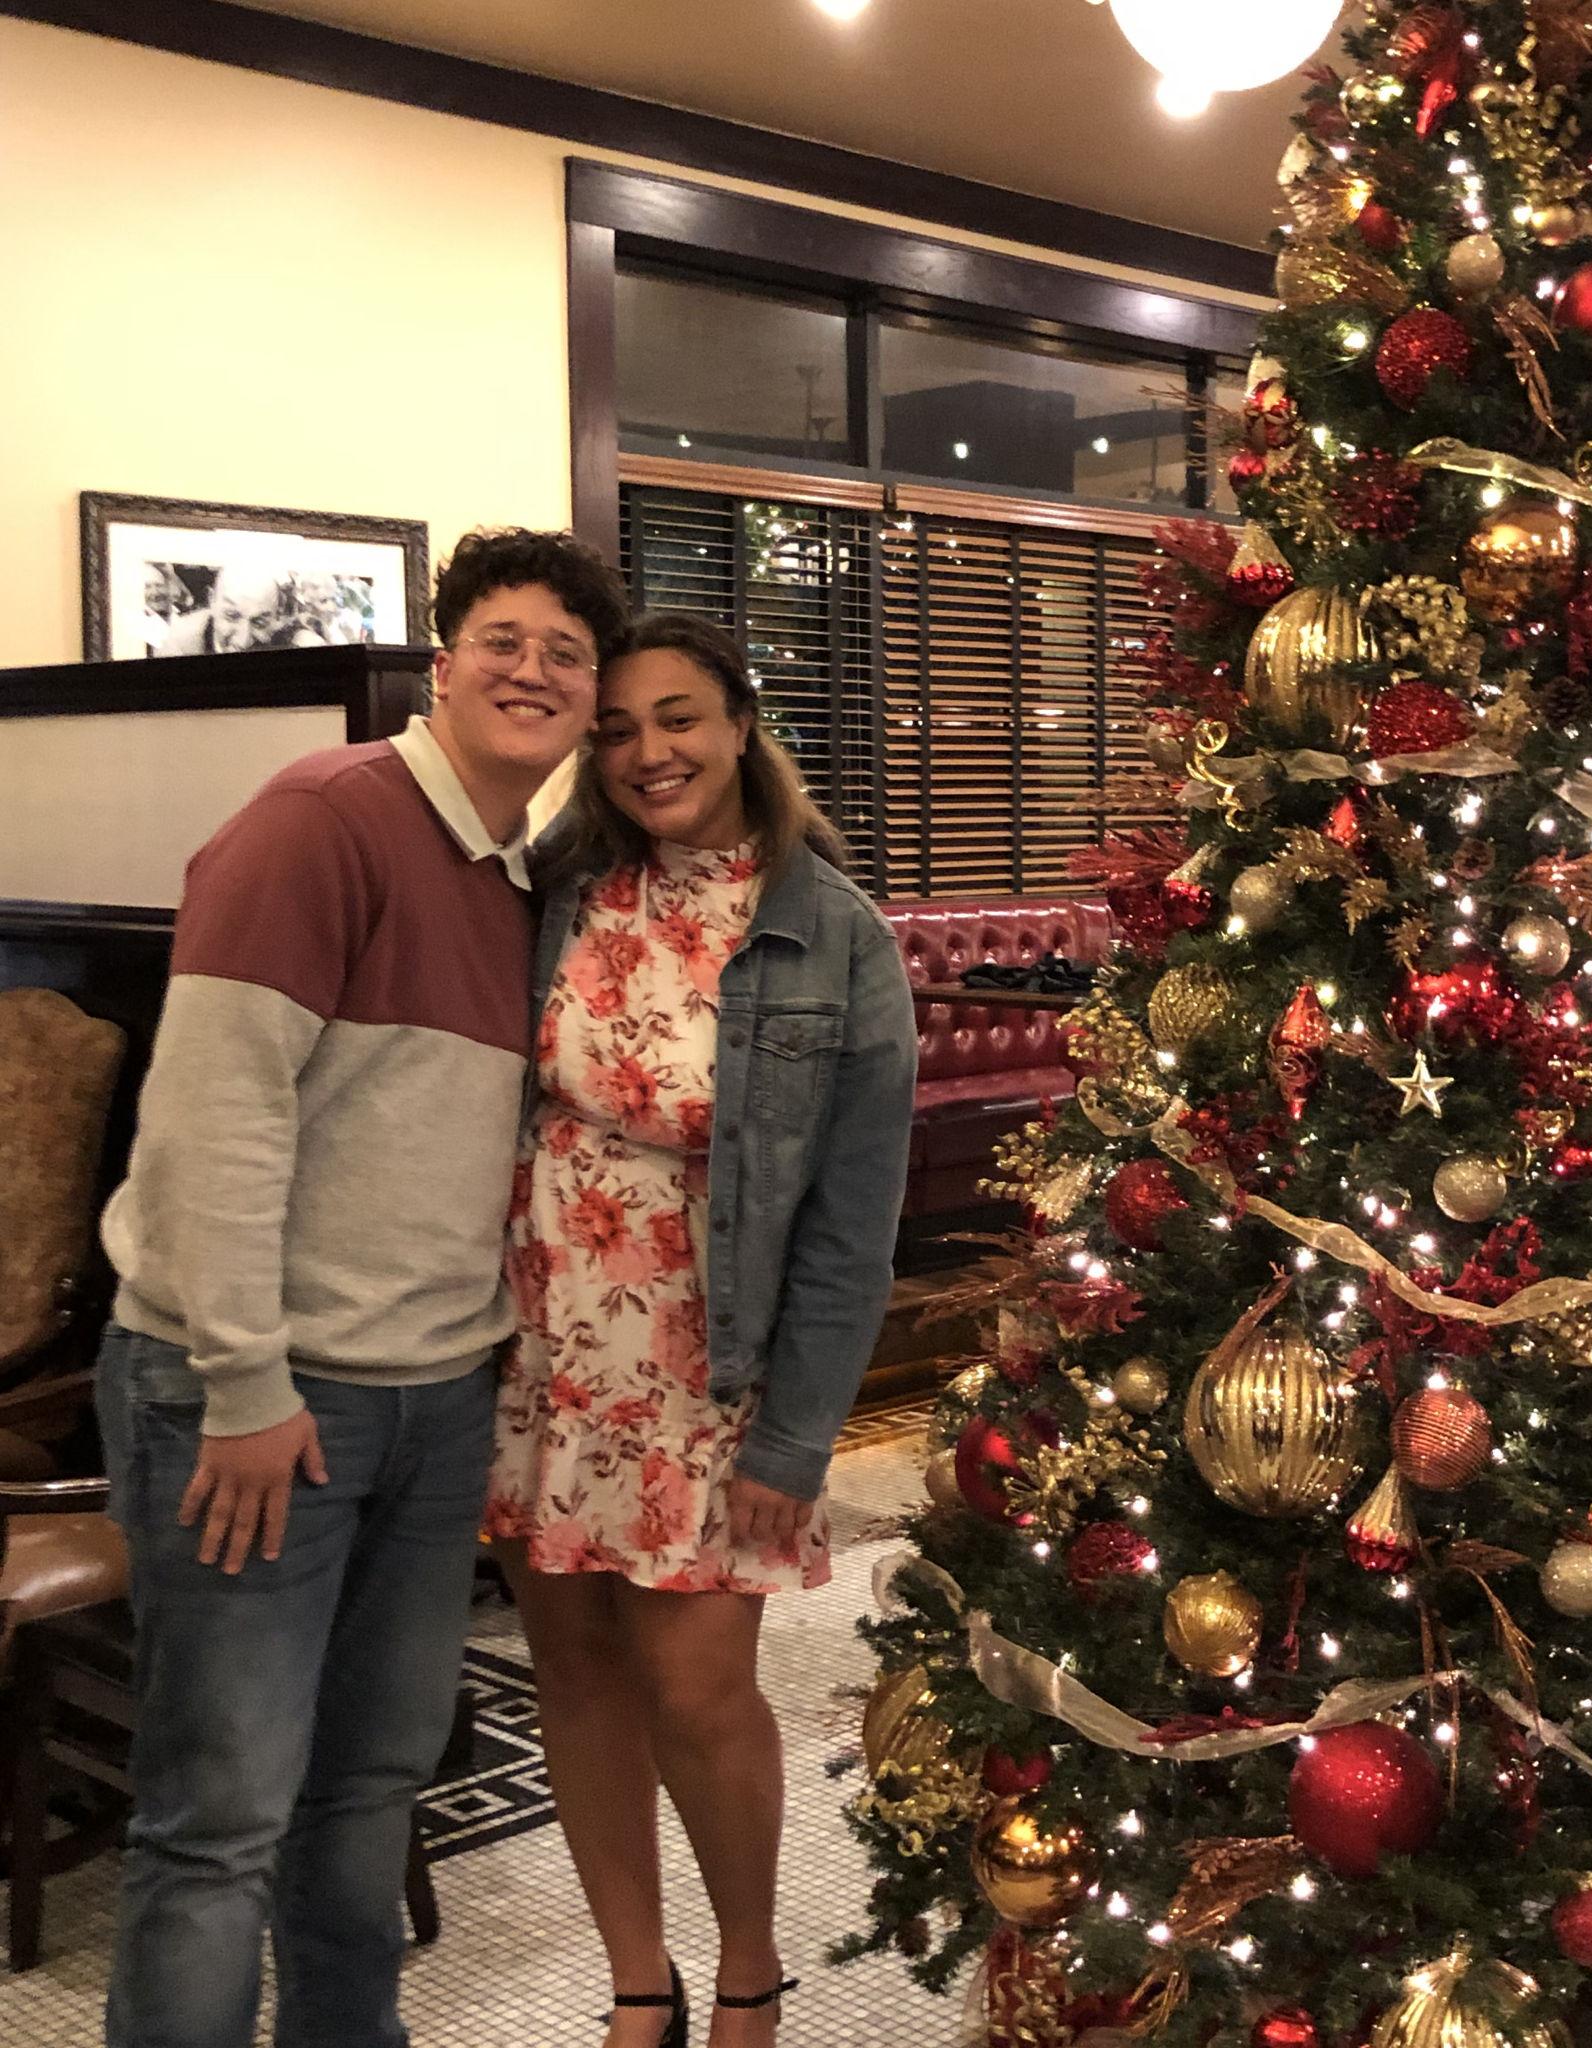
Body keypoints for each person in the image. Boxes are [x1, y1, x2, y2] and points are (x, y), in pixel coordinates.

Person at [95, 528, 630, 2048]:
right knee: (220, 1819)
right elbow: (212, 1121)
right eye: (503, 640)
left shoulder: (527, 879)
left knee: (371, 1790)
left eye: (567, 654)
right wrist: (244, 1383)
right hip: (262, 1397)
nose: (533, 670)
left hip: (434, 1399)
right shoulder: (322, 819)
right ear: (442, 664)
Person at [486, 611, 917, 2048]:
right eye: (614, 728)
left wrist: (799, 1437)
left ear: (740, 724)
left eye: (677, 717)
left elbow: (852, 1225)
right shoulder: (559, 890)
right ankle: (636, 1982)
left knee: (698, 1688)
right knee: (575, 1673)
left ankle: (747, 1975)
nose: (646, 751)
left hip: (707, 1369)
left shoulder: (832, 932)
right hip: (540, 1353)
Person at [155, 562, 294, 654]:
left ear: (277, 617)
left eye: (259, 622)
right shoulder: (176, 645)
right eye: (232, 616)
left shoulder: (289, 638)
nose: (242, 641)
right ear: (211, 601)